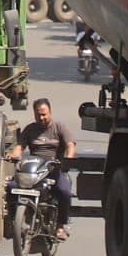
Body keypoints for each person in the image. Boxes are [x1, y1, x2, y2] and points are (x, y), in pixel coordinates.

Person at [15, 97, 79, 239]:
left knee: (64, 192)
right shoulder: (30, 129)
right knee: (12, 186)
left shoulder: (59, 127)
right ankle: (15, 220)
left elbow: (70, 145)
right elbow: (19, 147)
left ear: (50, 112)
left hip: (55, 170)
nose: (42, 117)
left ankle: (61, 226)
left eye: (44, 114)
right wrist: (13, 155)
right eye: (38, 115)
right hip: (35, 170)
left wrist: (68, 158)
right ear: (34, 114)